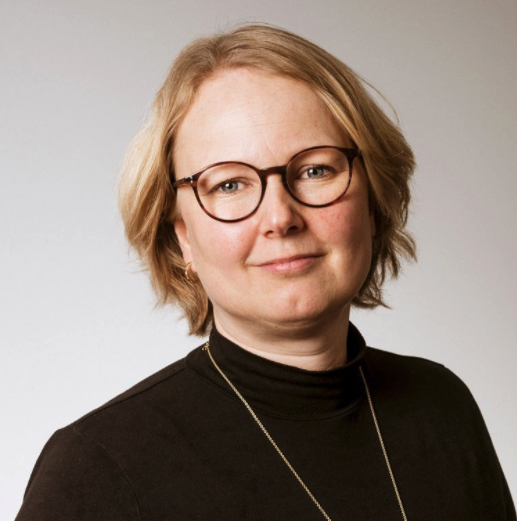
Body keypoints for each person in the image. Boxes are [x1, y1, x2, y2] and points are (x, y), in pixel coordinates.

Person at [16, 24, 515, 521]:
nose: (280, 218)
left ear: (373, 198)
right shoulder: (96, 471)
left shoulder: (442, 407)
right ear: (183, 235)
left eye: (315, 170)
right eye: (229, 185)